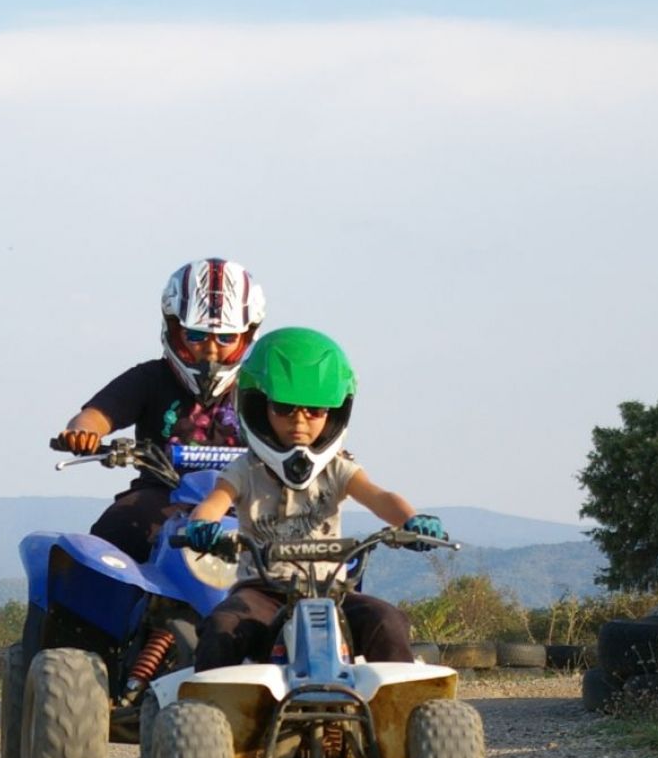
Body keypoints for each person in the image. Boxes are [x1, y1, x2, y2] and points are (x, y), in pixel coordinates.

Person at [180, 327, 447, 671]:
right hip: (263, 591)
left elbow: (379, 497)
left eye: (315, 411)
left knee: (386, 620)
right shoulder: (246, 469)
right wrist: (202, 526)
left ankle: (404, 716)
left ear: (334, 413)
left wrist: (411, 519)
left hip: (332, 592)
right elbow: (216, 501)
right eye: (285, 408)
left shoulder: (337, 468)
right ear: (259, 407)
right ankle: (209, 716)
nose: (300, 421)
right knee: (222, 627)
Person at [53, 258, 265, 562]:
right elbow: (98, 413)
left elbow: (294, 427)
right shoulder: (151, 377)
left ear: (247, 335)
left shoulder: (260, 387)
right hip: (161, 498)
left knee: (314, 551)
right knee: (111, 535)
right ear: (175, 329)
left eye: (227, 337)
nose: (211, 348)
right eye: (196, 335)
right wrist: (82, 432)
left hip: (247, 501)